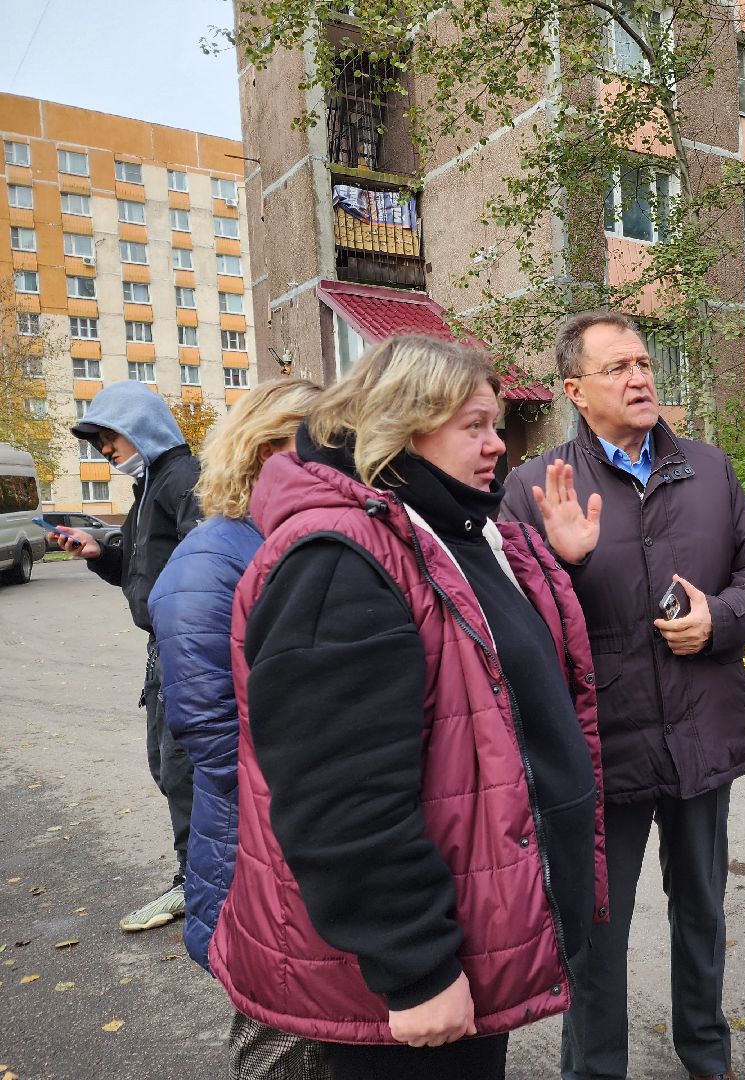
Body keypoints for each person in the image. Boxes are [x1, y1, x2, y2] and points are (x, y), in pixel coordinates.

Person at [209, 336, 608, 1080]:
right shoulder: (340, 558)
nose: (499, 445)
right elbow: (337, 794)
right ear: (403, 422)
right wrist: (416, 965)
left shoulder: (462, 533)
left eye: (496, 425)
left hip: (474, 927)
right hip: (399, 985)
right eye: (476, 426)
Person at [500, 311, 745, 1080]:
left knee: (702, 912)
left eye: (646, 363)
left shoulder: (711, 469)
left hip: (701, 733)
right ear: (574, 391)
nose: (641, 378)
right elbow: (508, 628)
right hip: (599, 747)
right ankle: (595, 1070)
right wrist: (560, 565)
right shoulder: (534, 488)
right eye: (618, 367)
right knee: (597, 931)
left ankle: (706, 1053)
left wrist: (720, 619)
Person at [147, 377, 326, 1079]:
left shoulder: (297, 539)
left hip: (316, 843)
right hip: (265, 856)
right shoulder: (208, 565)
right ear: (266, 448)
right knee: (281, 1041)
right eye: (322, 440)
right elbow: (216, 741)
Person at [57, 381, 203, 932]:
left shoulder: (182, 478)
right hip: (162, 650)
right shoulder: (148, 488)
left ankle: (198, 882)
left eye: (107, 435)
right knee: (167, 766)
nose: (103, 449)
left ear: (139, 424)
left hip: (187, 651)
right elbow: (143, 572)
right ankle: (199, 875)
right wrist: (100, 553)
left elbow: (210, 562)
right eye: (95, 441)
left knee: (185, 767)